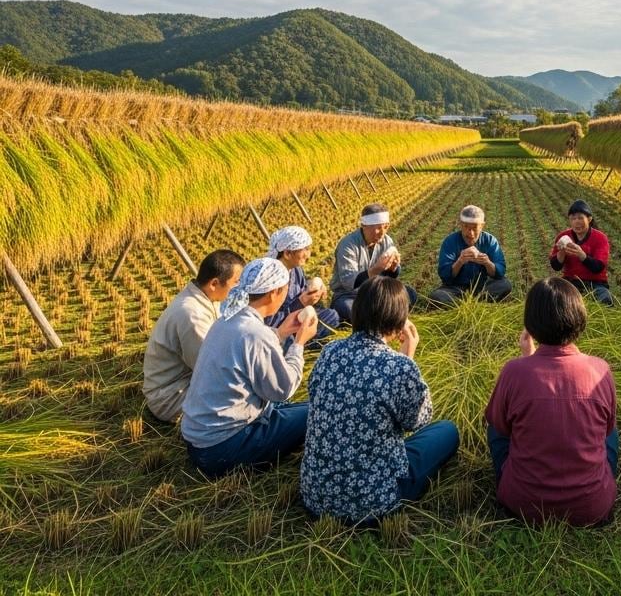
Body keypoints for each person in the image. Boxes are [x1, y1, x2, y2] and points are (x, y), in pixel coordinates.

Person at [301, 277, 459, 522]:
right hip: (374, 501)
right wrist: (408, 355)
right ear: (399, 321)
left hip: (316, 495)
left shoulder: (328, 352)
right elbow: (417, 420)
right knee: (447, 431)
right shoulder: (399, 367)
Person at [485, 278, 617, 525]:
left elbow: (500, 426)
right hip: (592, 507)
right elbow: (606, 429)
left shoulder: (513, 371)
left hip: (524, 505)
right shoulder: (601, 370)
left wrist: (528, 359)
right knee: (610, 431)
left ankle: (511, 477)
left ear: (531, 325)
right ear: (579, 318)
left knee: (494, 423)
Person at [181, 257, 317, 478]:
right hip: (222, 449)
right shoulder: (255, 333)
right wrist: (299, 343)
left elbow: (250, 349)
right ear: (274, 293)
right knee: (316, 413)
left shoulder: (227, 320)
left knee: (299, 408)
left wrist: (281, 333)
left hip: (199, 440)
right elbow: (282, 389)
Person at [143, 249, 245, 423]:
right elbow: (210, 369)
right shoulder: (192, 314)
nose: (239, 288)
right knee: (243, 400)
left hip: (184, 383)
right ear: (214, 283)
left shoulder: (206, 299)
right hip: (171, 397)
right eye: (236, 282)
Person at [330, 204, 417, 323]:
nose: (382, 233)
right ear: (364, 226)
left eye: (385, 227)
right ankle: (383, 316)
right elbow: (349, 283)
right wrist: (376, 269)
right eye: (377, 228)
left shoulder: (387, 240)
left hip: (377, 291)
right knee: (348, 308)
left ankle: (380, 315)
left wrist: (393, 268)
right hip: (351, 295)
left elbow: (390, 277)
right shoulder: (348, 245)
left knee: (409, 294)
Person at [262, 226, 340, 342]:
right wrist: (301, 303)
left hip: (299, 316)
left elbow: (302, 289)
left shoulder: (296, 269)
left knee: (332, 316)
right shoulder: (270, 278)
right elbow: (269, 320)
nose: (308, 255)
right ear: (288, 253)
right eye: (305, 250)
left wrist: (313, 290)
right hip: (278, 327)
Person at [428, 205, 513, 307]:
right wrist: (460, 261)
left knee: (505, 284)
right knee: (437, 296)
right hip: (456, 289)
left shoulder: (490, 241)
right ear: (460, 224)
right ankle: (475, 304)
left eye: (475, 228)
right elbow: (445, 276)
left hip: (483, 288)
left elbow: (500, 272)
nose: (471, 233)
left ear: (482, 226)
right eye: (466, 227)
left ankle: (471, 303)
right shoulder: (450, 241)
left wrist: (487, 263)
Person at [549, 199, 613, 306]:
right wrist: (561, 253)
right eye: (573, 218)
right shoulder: (563, 236)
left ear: (589, 219)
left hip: (595, 283)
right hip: (571, 281)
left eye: (580, 218)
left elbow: (598, 267)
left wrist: (581, 255)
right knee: (553, 295)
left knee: (604, 298)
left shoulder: (600, 238)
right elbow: (555, 266)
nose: (576, 222)